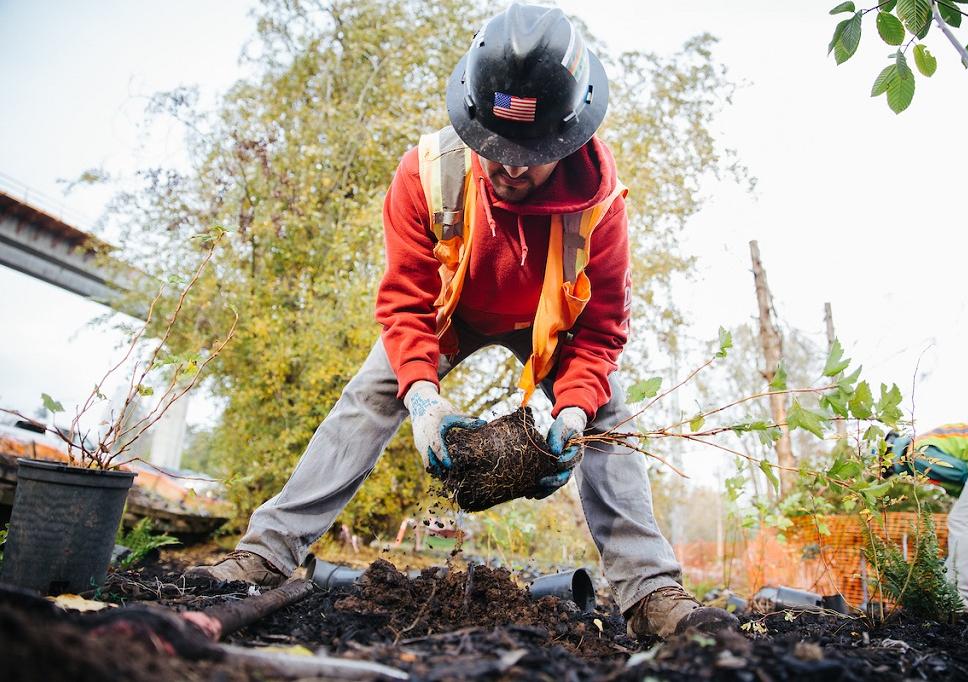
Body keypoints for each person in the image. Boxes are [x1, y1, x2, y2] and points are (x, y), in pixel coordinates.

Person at [188, 4, 736, 637]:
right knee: (372, 391)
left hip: (546, 324)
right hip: (453, 314)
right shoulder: (427, 173)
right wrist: (423, 398)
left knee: (610, 408)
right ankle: (266, 553)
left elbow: (603, 331)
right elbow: (405, 302)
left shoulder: (600, 206)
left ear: (569, 137)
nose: (507, 167)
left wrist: (575, 410)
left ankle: (649, 593)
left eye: (529, 154)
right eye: (494, 148)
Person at [883, 424, 968, 608]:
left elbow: (961, 473)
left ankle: (954, 600)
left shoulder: (913, 453)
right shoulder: (926, 441)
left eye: (890, 470)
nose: (895, 474)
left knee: (963, 521)